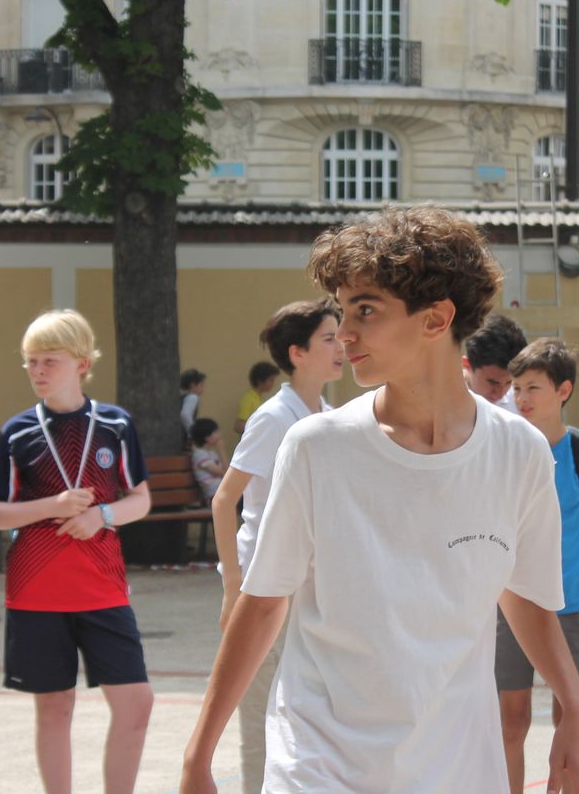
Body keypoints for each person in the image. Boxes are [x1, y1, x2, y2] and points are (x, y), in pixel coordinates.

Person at [181, 207, 579, 794]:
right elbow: (263, 604)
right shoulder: (316, 446)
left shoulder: (520, 452)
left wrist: (576, 707)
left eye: (365, 310)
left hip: (459, 765)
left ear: (436, 319)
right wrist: (198, 756)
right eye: (341, 311)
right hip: (320, 766)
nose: (344, 333)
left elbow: (524, 596)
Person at [0, 309, 154, 794]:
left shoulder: (115, 423)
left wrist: (101, 516)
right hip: (36, 592)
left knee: (136, 703)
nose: (37, 371)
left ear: (81, 363)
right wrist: (51, 506)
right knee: (54, 707)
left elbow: (140, 499)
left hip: (103, 588)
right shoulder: (17, 431)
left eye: (49, 361)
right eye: (31, 361)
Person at [209, 298, 344, 793]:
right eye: (328, 338)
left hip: (308, 588)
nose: (341, 346)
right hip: (263, 589)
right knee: (260, 719)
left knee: (307, 716)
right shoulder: (273, 417)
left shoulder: (329, 416)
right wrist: (233, 590)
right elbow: (225, 500)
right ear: (297, 353)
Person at [500, 337, 579, 792]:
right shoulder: (503, 448)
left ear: (563, 391)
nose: (521, 398)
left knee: (570, 717)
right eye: (517, 388)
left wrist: (575, 577)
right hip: (510, 602)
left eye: (533, 388)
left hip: (571, 602)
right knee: (510, 718)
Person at [463, 312, 527, 413]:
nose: (501, 393)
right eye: (493, 382)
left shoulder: (522, 407)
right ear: (467, 364)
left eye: (509, 382)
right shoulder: (440, 399)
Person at [234, 361, 281, 435]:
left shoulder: (260, 398)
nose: (273, 383)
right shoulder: (248, 399)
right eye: (271, 380)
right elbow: (239, 426)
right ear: (260, 380)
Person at [190, 418, 227, 500]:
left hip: (222, 489)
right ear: (207, 437)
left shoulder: (212, 454)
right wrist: (221, 451)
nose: (219, 435)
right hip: (214, 492)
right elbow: (225, 473)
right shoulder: (200, 455)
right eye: (216, 432)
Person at [180, 369, 207, 439]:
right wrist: (193, 432)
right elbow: (185, 415)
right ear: (193, 385)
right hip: (183, 434)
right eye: (201, 385)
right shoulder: (193, 397)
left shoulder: (183, 396)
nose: (203, 388)